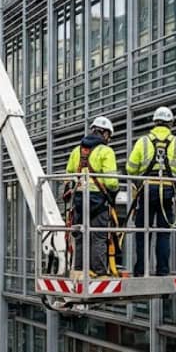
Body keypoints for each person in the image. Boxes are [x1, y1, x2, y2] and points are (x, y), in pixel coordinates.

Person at [126, 106, 176, 276]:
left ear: (154, 122)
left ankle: (140, 271)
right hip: (167, 191)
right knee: (163, 232)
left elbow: (130, 168)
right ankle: (162, 271)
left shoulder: (143, 142)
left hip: (146, 190)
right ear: (171, 123)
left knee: (142, 232)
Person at [64, 117, 119, 279]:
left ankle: (80, 271)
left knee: (80, 235)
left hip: (79, 200)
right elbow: (111, 182)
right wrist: (114, 190)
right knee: (99, 237)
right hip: (98, 201)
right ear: (106, 133)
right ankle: (99, 273)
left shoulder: (77, 151)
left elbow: (69, 175)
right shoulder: (106, 151)